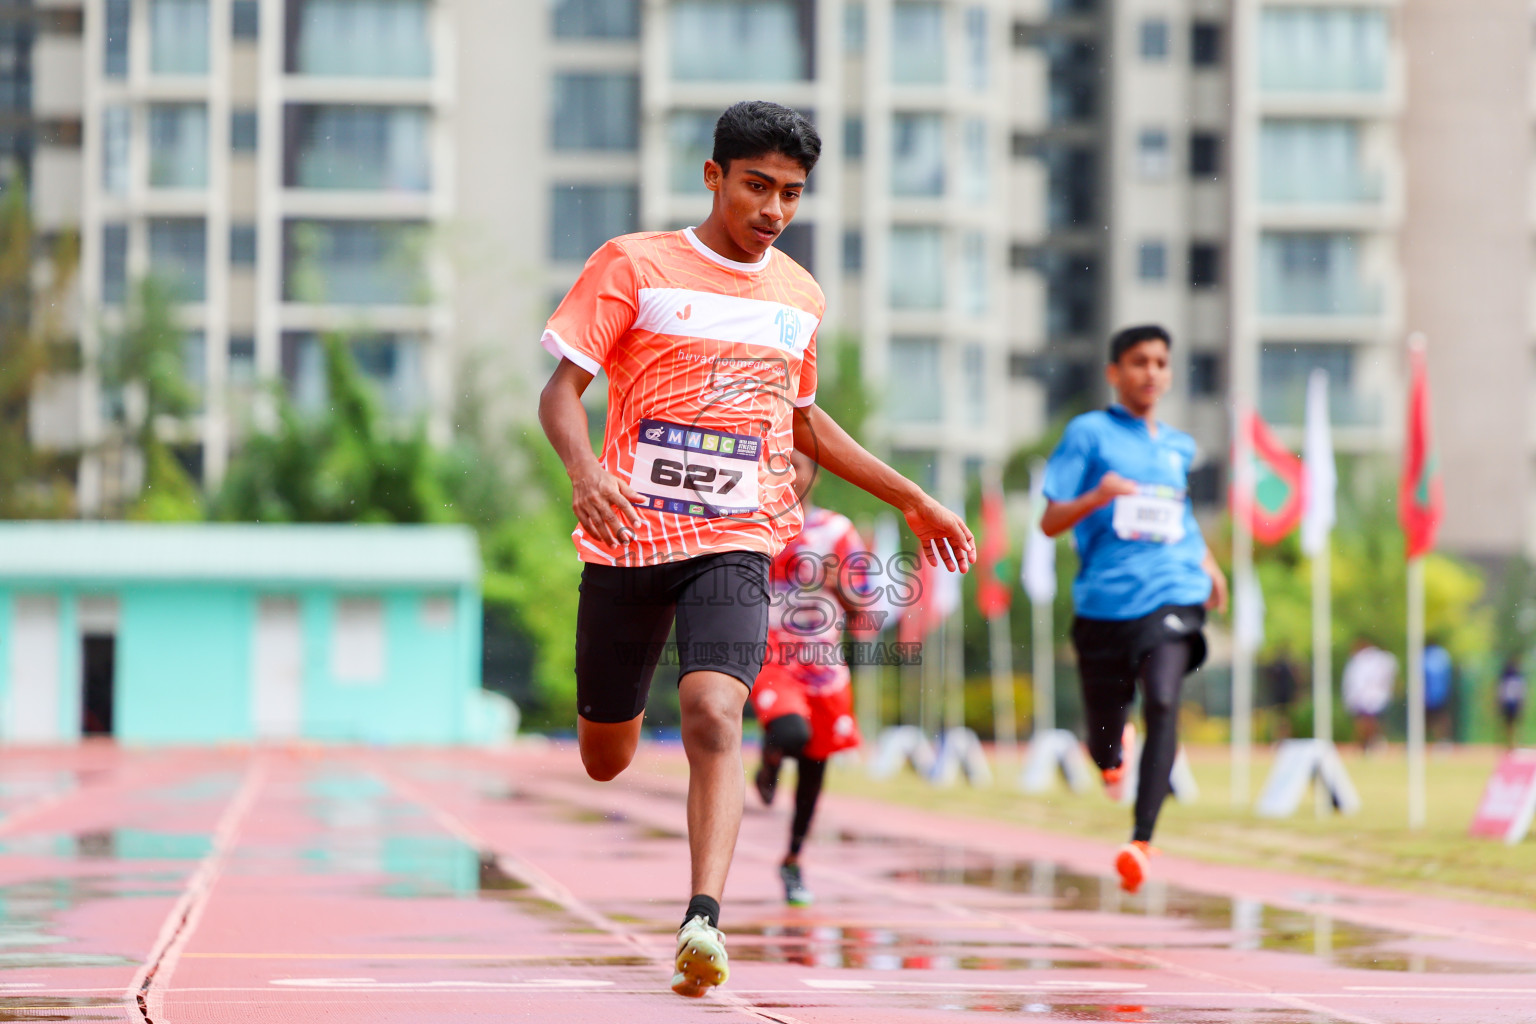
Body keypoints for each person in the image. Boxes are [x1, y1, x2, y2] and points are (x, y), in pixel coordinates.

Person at [537, 100, 974, 999]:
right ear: (714, 177)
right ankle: (634, 770)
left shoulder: (799, 296)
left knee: (712, 713)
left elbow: (806, 421)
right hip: (627, 538)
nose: (774, 210)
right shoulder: (634, 265)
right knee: (604, 755)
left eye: (792, 193)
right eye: (757, 187)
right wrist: (585, 473)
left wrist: (914, 497)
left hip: (737, 537)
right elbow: (560, 393)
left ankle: (703, 918)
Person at [1039, 324, 1228, 895]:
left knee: (1166, 697)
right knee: (1104, 731)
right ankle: (1107, 757)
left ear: (1169, 373)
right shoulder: (1088, 434)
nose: (1151, 372)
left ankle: (1141, 840)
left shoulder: (1177, 446)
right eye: (1139, 362)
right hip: (1103, 603)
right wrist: (1099, 496)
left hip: (1172, 590)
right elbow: (1049, 522)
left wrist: (1211, 566)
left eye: (1160, 362)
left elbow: (1181, 516)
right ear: (1114, 372)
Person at [751, 449, 868, 907]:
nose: (784, 472)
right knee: (791, 732)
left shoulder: (837, 532)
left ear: (815, 473)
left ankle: (794, 859)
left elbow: (866, 613)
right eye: (774, 462)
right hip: (771, 656)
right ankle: (772, 757)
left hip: (824, 668)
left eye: (794, 464)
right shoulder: (754, 524)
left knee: (815, 770)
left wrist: (840, 587)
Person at [1341, 638, 1396, 752]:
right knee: (1366, 722)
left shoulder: (1366, 660)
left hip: (1369, 697)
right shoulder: (1363, 660)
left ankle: (1371, 742)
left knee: (1368, 722)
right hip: (1368, 697)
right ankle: (1367, 743)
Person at [1423, 640, 1454, 744]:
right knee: (1439, 718)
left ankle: (1438, 740)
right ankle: (1441, 740)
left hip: (1429, 694)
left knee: (1435, 718)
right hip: (1441, 692)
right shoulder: (1443, 655)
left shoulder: (1425, 656)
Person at [1264, 652, 1299, 742]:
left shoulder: (1284, 669)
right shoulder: (1284, 668)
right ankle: (1280, 739)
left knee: (1283, 719)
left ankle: (1284, 739)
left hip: (1283, 697)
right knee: (1281, 719)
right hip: (1280, 697)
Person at [1498, 659, 1526, 749]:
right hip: (1510, 703)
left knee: (1512, 725)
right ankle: (1511, 743)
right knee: (1509, 724)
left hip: (1513, 703)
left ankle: (1514, 742)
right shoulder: (1507, 678)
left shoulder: (1516, 678)